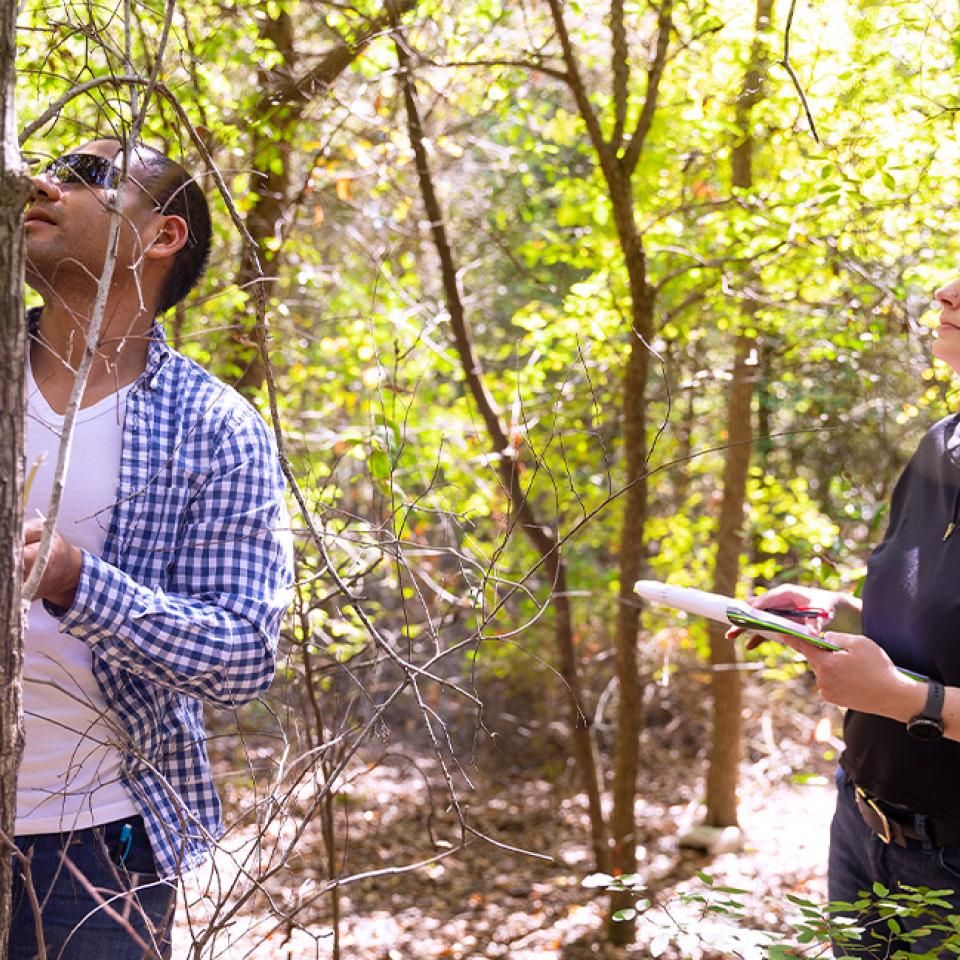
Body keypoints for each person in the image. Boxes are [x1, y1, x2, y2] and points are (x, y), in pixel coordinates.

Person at [11, 139, 292, 959]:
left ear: (161, 235)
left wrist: (77, 582)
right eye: (47, 168)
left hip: (92, 847)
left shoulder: (215, 429)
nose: (44, 184)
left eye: (87, 175)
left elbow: (242, 654)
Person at [746, 275, 960, 957]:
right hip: (862, 827)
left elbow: (915, 685)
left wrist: (903, 699)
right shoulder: (942, 446)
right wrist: (836, 611)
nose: (946, 291)